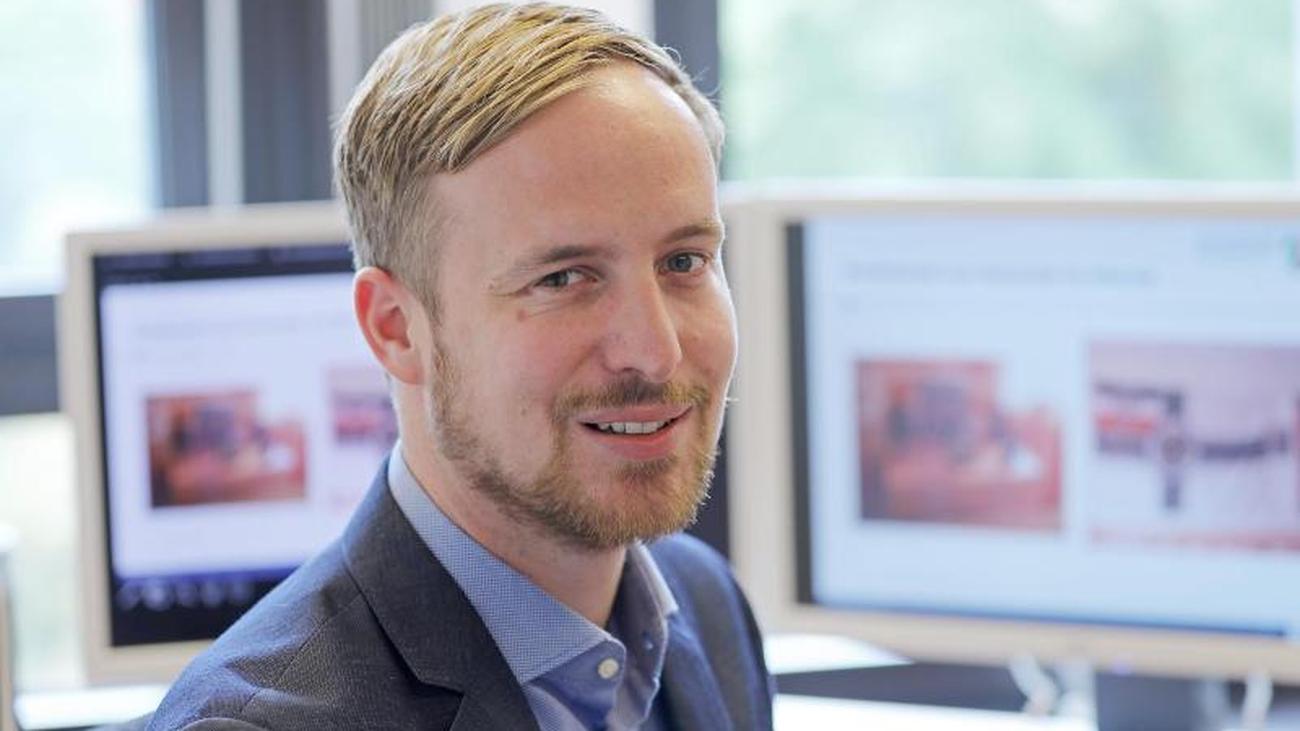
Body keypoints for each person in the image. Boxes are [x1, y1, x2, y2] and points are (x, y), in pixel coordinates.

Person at [147, 3, 773, 730]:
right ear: (395, 329)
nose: (656, 350)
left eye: (685, 261)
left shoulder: (707, 604)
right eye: (564, 278)